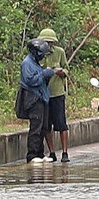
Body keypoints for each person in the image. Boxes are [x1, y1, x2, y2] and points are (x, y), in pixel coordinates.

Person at [36, 28, 70, 162]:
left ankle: (65, 153)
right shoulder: (38, 54)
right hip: (44, 94)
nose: (48, 45)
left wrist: (61, 72)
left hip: (57, 93)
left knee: (61, 124)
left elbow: (66, 68)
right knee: (46, 126)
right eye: (46, 42)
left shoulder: (59, 52)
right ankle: (52, 152)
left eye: (50, 43)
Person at [20, 37, 56, 163]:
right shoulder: (27, 64)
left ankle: (40, 153)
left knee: (43, 127)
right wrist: (45, 73)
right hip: (33, 98)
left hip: (42, 97)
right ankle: (32, 154)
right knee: (36, 126)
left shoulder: (35, 63)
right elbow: (30, 80)